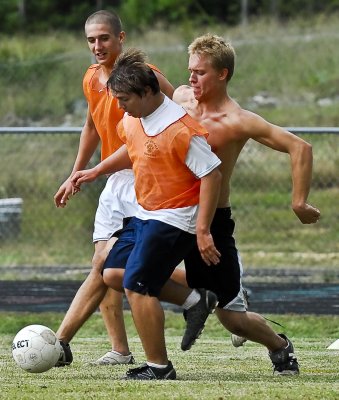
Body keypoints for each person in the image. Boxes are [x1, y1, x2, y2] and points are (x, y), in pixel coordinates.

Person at [170, 33, 321, 375]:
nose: (191, 78)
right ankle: (152, 361)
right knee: (123, 265)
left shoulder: (238, 120)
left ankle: (280, 347)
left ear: (222, 74)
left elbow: (301, 148)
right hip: (172, 212)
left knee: (233, 320)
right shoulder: (180, 98)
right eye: (190, 70)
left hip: (214, 222)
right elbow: (149, 96)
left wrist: (299, 202)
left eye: (200, 72)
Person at [71, 48, 222, 380]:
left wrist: (202, 229)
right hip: (146, 211)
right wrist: (95, 170)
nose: (119, 106)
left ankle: (159, 367)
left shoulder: (180, 128)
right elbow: (131, 148)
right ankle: (195, 300)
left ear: (148, 92)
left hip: (175, 217)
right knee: (112, 274)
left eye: (124, 99)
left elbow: (211, 174)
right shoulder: (133, 116)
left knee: (137, 284)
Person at [53, 9, 179, 366]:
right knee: (103, 260)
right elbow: (92, 127)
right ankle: (120, 349)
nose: (97, 46)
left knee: (113, 263)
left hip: (145, 177)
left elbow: (181, 112)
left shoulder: (147, 76)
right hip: (112, 179)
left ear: (120, 39)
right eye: (91, 40)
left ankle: (208, 291)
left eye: (104, 38)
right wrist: (76, 173)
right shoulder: (92, 78)